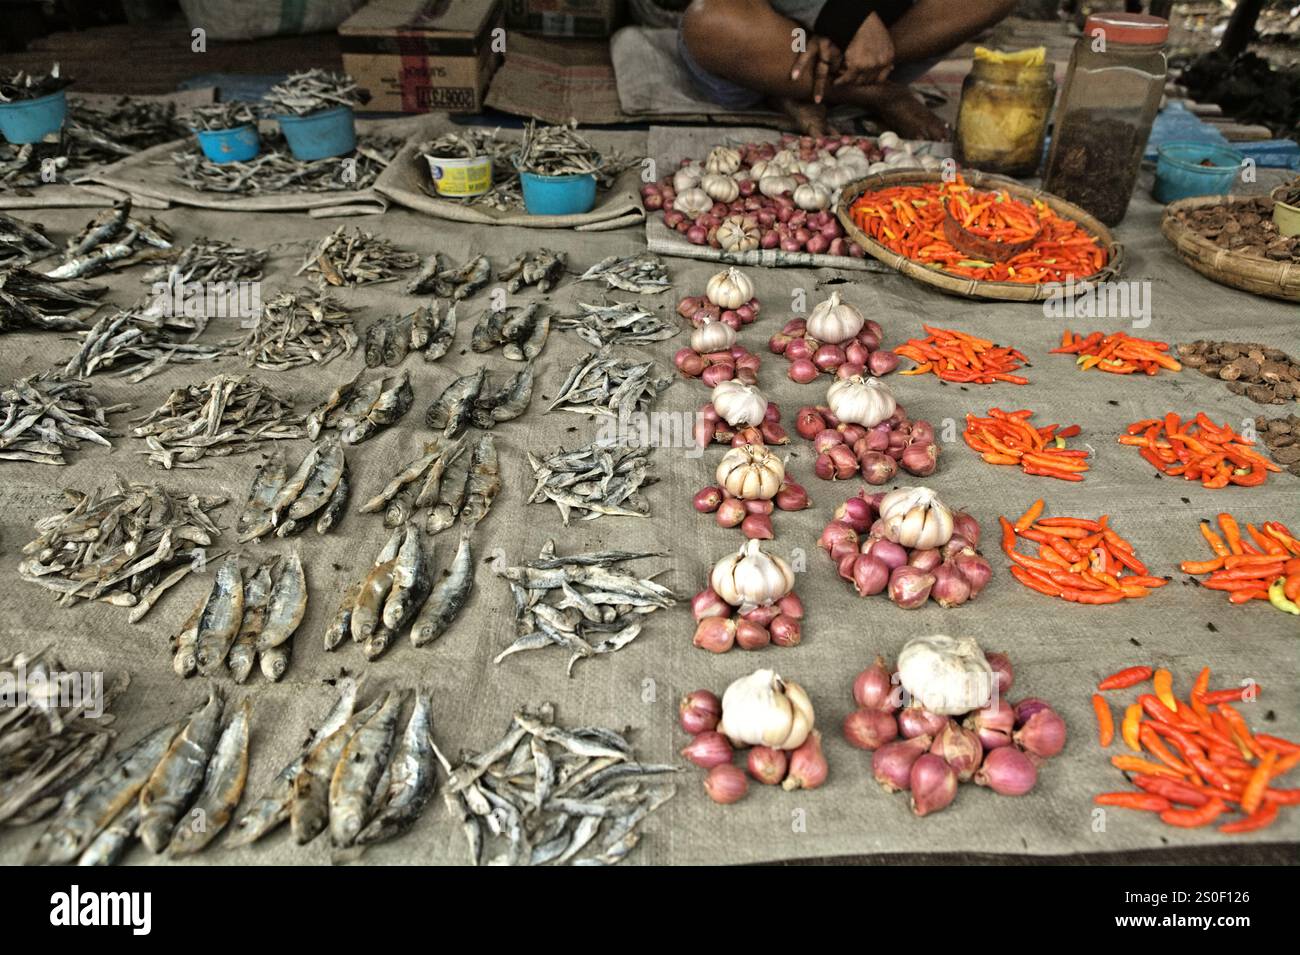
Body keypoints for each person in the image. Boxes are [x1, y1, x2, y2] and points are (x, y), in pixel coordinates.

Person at [679, 0, 1018, 138]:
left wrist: (850, 32)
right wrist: (846, 17)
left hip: (884, 39)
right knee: (708, 19)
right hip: (774, 31)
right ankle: (874, 92)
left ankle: (831, 74)